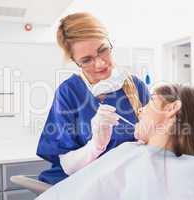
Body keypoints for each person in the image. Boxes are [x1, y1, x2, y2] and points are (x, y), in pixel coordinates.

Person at [36, 84, 194, 200]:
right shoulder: (135, 151)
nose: (140, 110)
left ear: (171, 109)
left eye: (151, 102)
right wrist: (96, 145)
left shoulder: (186, 171)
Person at [36, 12, 150, 185]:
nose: (100, 64)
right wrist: (96, 145)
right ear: (75, 62)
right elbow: (68, 166)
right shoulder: (69, 93)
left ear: (110, 42)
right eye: (86, 60)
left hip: (122, 184)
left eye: (103, 50)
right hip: (80, 185)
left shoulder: (136, 87)